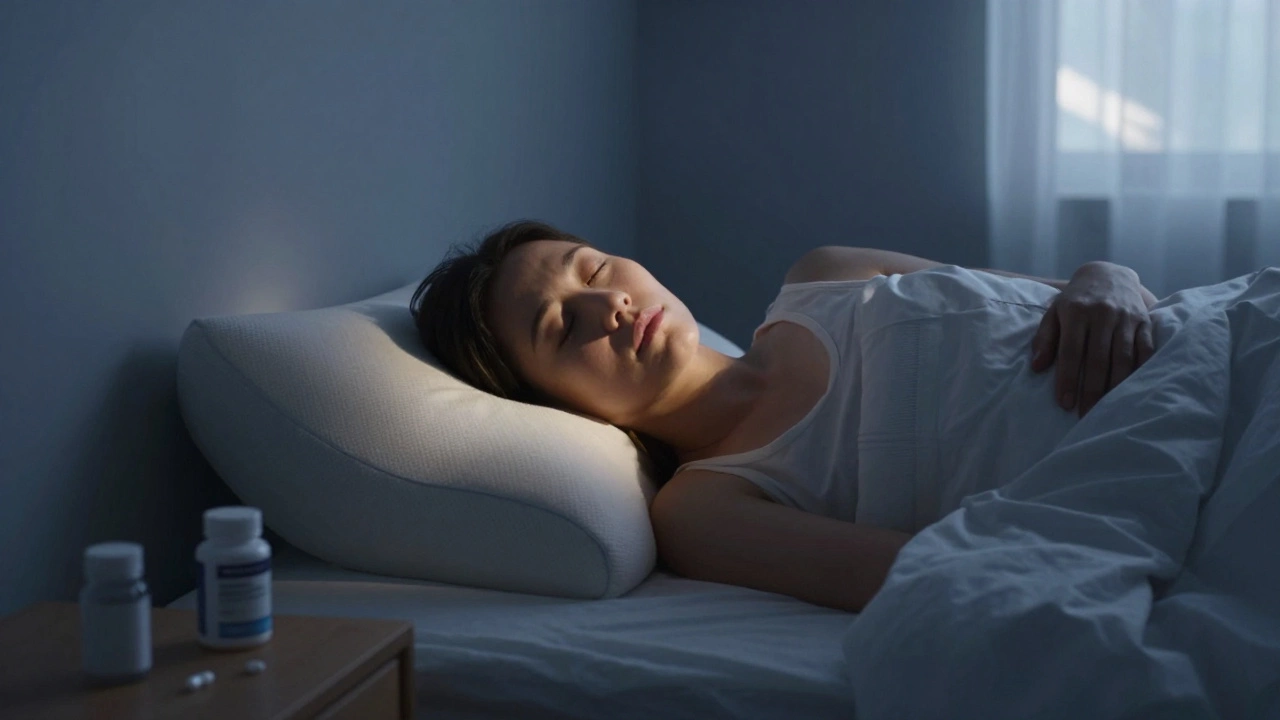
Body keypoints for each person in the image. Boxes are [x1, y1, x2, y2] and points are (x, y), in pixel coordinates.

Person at [410, 220, 1160, 613]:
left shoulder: (827, 275)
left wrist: (1108, 275)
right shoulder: (703, 509)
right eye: (561, 328)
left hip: (1198, 346)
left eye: (597, 270)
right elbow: (941, 575)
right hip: (1150, 473)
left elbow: (1085, 286)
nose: (609, 306)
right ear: (551, 406)